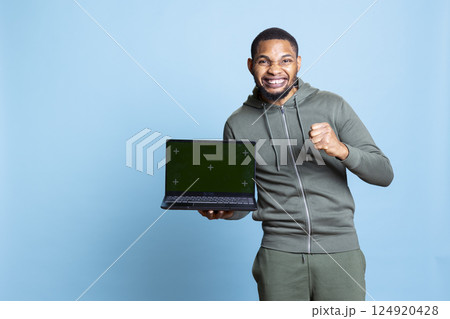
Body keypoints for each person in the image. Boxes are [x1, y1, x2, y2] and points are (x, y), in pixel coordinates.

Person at [199, 27, 393, 301]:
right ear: (251, 65)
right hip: (278, 256)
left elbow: (384, 174)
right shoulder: (238, 123)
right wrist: (227, 211)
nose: (274, 69)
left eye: (285, 60)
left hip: (341, 251)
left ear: (298, 63)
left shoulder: (333, 106)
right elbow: (243, 200)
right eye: (264, 61)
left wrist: (340, 149)